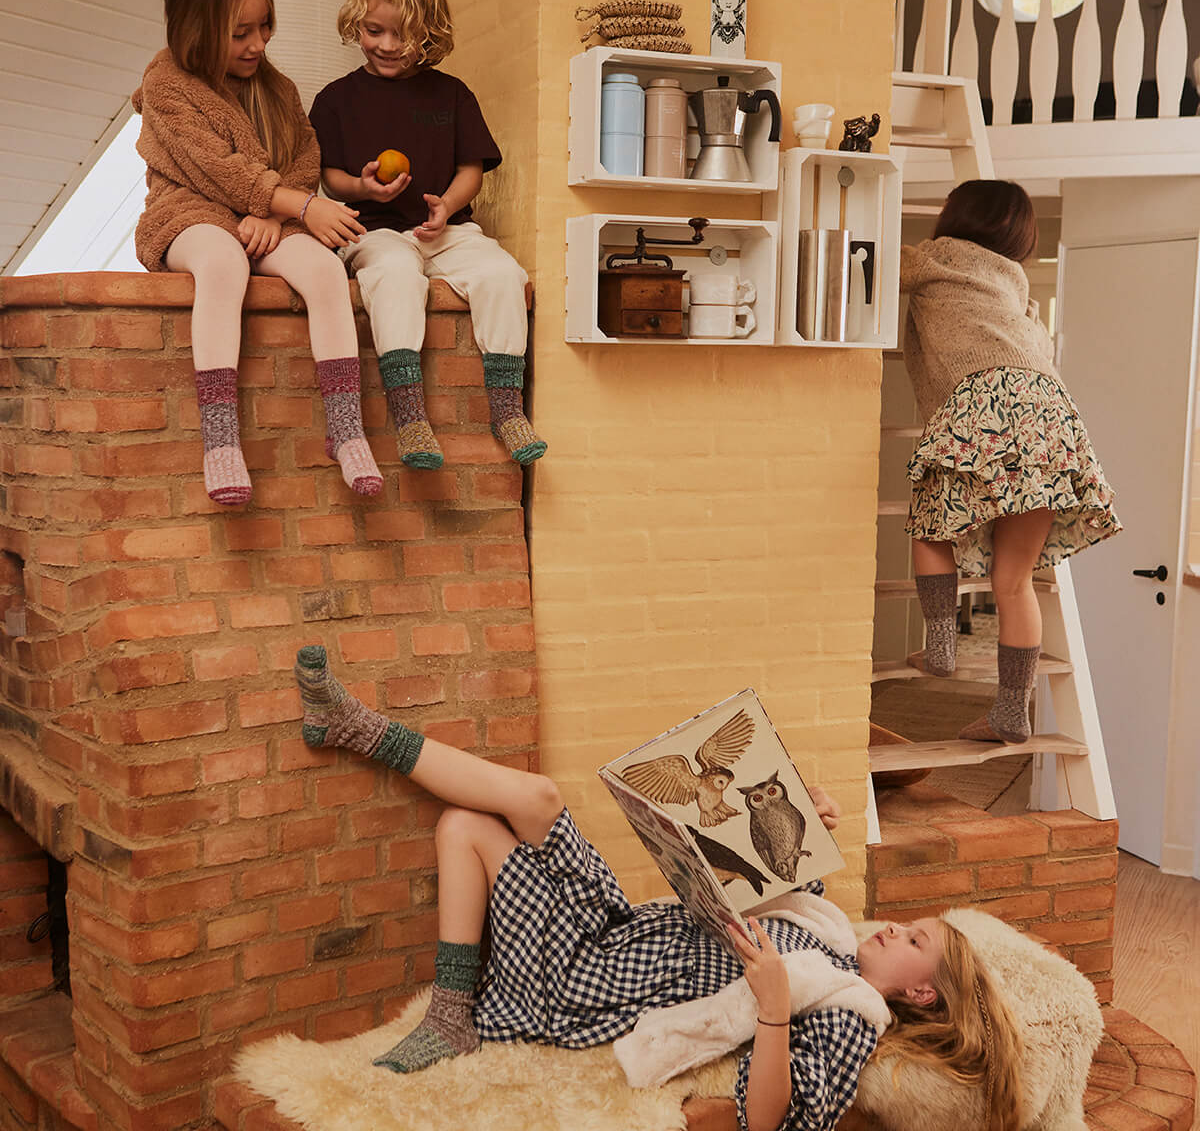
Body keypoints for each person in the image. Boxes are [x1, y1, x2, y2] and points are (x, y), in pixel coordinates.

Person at [291, 645, 1023, 1131]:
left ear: (921, 991)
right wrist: (807, 815)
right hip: (618, 924)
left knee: (463, 827)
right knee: (538, 798)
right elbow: (770, 875)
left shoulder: (850, 1010)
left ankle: (451, 1012)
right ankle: (354, 727)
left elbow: (774, 1120)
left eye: (913, 940)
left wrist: (773, 1009)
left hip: (585, 979)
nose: (893, 927)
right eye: (908, 923)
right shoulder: (828, 929)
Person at [133, 0, 382, 506]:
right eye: (240, 32)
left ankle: (346, 429)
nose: (258, 43)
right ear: (195, 29)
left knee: (324, 269)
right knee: (223, 263)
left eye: (264, 25)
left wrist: (275, 207)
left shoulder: (276, 86)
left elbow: (305, 155)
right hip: (188, 212)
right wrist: (293, 205)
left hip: (267, 214)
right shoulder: (166, 85)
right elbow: (216, 168)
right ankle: (220, 440)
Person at [308, 0, 546, 472]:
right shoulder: (334, 100)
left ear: (429, 30)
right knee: (395, 273)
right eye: (374, 31)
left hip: (447, 230)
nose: (387, 45)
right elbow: (329, 177)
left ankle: (507, 410)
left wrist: (448, 205)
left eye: (403, 34)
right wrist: (364, 189)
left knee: (504, 275)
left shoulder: (452, 95)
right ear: (356, 22)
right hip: (373, 230)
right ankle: (410, 415)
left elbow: (470, 169)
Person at [900, 180, 1121, 743]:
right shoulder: (1016, 286)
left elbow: (873, 266)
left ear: (958, 215)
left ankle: (941, 646)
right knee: (1015, 580)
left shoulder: (933, 258)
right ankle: (1011, 711)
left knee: (931, 524)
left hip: (985, 401)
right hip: (1052, 417)